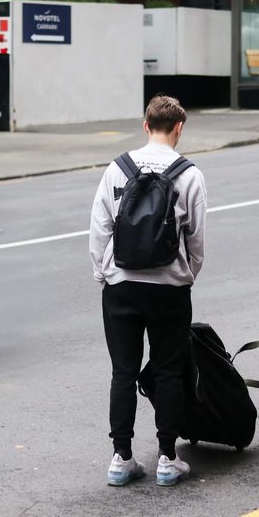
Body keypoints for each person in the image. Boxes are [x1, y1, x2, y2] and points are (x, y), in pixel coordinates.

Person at [89, 94, 207, 487]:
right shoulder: (189, 174)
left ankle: (121, 457)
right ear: (179, 128)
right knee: (169, 371)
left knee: (122, 372)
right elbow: (196, 237)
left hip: (121, 286)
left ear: (145, 125)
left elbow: (100, 226)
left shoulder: (117, 168)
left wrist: (102, 273)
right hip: (168, 289)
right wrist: (186, 275)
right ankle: (167, 458)